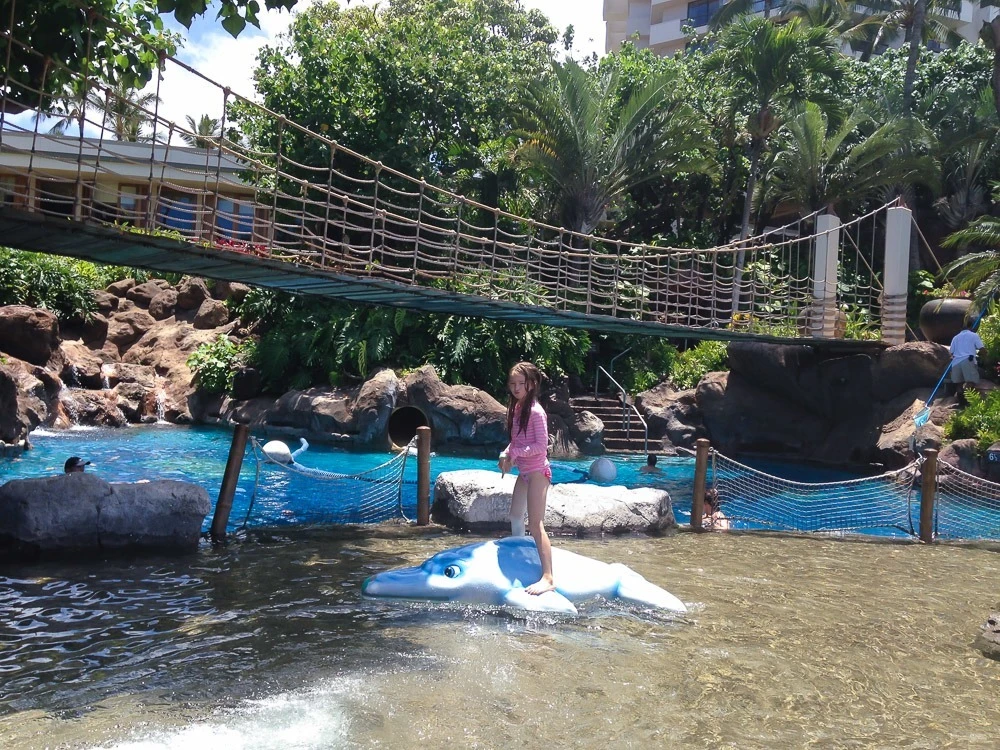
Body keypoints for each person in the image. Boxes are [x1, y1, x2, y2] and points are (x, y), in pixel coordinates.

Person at [498, 361, 555, 595]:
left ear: (531, 384)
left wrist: (516, 453)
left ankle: (549, 577)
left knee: (536, 523)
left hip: (538, 472)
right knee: (514, 515)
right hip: (524, 472)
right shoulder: (517, 408)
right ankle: (521, 554)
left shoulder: (536, 412)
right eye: (512, 384)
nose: (516, 388)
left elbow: (542, 445)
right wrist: (507, 453)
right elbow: (518, 440)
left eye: (521, 384)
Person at [949, 319, 985, 404]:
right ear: (971, 327)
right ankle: (969, 402)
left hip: (956, 362)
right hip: (968, 360)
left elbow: (951, 352)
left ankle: (961, 402)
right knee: (970, 382)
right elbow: (982, 349)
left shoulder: (956, 337)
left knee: (959, 383)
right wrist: (986, 356)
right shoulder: (973, 335)